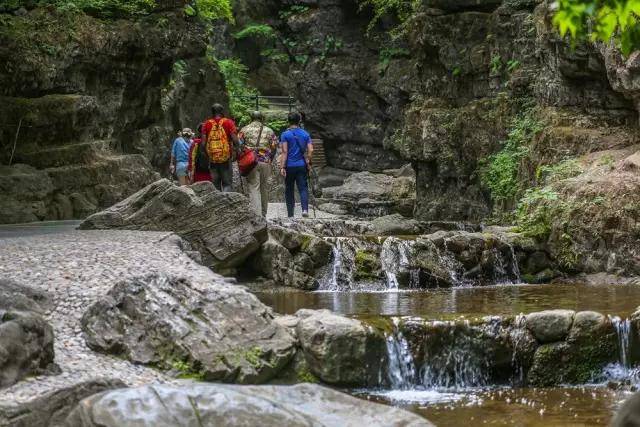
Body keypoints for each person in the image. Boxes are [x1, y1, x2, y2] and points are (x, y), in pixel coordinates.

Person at [239, 111, 278, 217]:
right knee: (264, 187)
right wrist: (270, 158)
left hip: (251, 162)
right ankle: (264, 213)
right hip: (265, 161)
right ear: (261, 118)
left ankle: (257, 215)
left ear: (251, 118)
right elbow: (274, 146)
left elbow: (239, 145)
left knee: (253, 187)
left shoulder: (244, 130)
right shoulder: (269, 130)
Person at [279, 111, 313, 218]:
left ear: (288, 121)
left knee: (289, 189)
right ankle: (304, 210)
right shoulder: (305, 134)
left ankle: (290, 214)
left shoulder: (285, 134)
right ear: (299, 121)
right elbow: (311, 149)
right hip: (301, 165)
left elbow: (284, 152)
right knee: (303, 188)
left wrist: (282, 166)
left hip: (289, 166)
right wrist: (308, 160)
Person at [201, 103, 239, 192]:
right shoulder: (228, 122)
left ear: (212, 112)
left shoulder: (206, 124)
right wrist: (237, 150)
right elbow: (235, 140)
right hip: (226, 157)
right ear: (222, 112)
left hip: (212, 158)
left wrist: (207, 155)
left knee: (215, 184)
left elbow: (203, 144)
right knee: (227, 183)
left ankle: (218, 203)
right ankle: (226, 203)